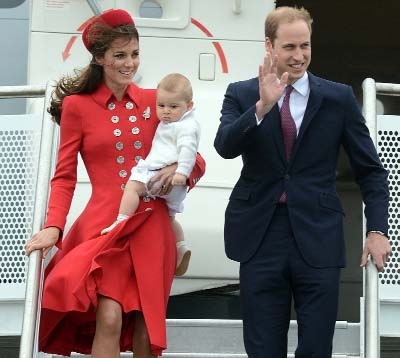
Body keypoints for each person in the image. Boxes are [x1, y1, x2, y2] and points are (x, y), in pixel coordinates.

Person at [24, 9, 205, 358]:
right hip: (106, 224)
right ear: (99, 57)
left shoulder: (157, 100)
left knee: (144, 325)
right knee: (109, 316)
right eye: (120, 55)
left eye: (135, 54)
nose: (130, 63)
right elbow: (64, 176)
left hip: (152, 225)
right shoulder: (77, 107)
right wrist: (54, 227)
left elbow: (195, 154)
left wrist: (179, 171)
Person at [214, 6, 391, 358]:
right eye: (290, 47)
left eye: (305, 46)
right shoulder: (242, 93)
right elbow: (225, 147)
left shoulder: (337, 98)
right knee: (263, 349)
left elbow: (371, 170)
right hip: (260, 236)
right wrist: (261, 108)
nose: (299, 56)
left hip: (318, 235)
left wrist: (377, 230)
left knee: (315, 348)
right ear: (269, 46)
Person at [101, 72, 200, 276]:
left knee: (133, 187)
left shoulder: (183, 126)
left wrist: (180, 171)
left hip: (159, 176)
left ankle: (121, 220)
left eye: (173, 107)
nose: (165, 112)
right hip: (174, 188)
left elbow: (191, 152)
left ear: (188, 106)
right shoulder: (179, 119)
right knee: (171, 218)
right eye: (161, 106)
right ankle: (181, 246)